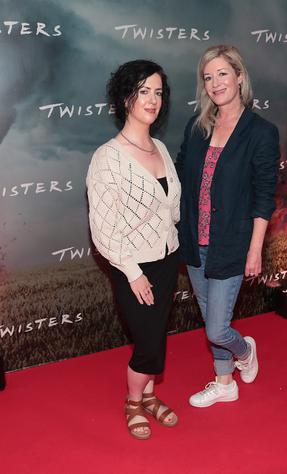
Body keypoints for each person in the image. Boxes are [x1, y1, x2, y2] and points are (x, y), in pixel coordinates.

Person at [176, 45, 280, 407]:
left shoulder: (260, 132)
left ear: (239, 76)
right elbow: (179, 176)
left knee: (217, 328)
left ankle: (245, 349)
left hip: (232, 243)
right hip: (194, 241)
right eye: (208, 77)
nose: (215, 82)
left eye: (222, 73)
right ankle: (224, 383)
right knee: (210, 317)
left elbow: (264, 196)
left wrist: (255, 250)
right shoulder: (197, 126)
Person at [86, 60, 181, 439]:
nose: (152, 100)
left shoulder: (159, 147)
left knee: (157, 335)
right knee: (148, 346)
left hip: (166, 258)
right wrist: (134, 271)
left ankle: (150, 396)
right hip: (134, 267)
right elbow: (103, 228)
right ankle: (133, 402)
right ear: (126, 97)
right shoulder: (107, 158)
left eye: (158, 92)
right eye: (144, 91)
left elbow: (171, 208)